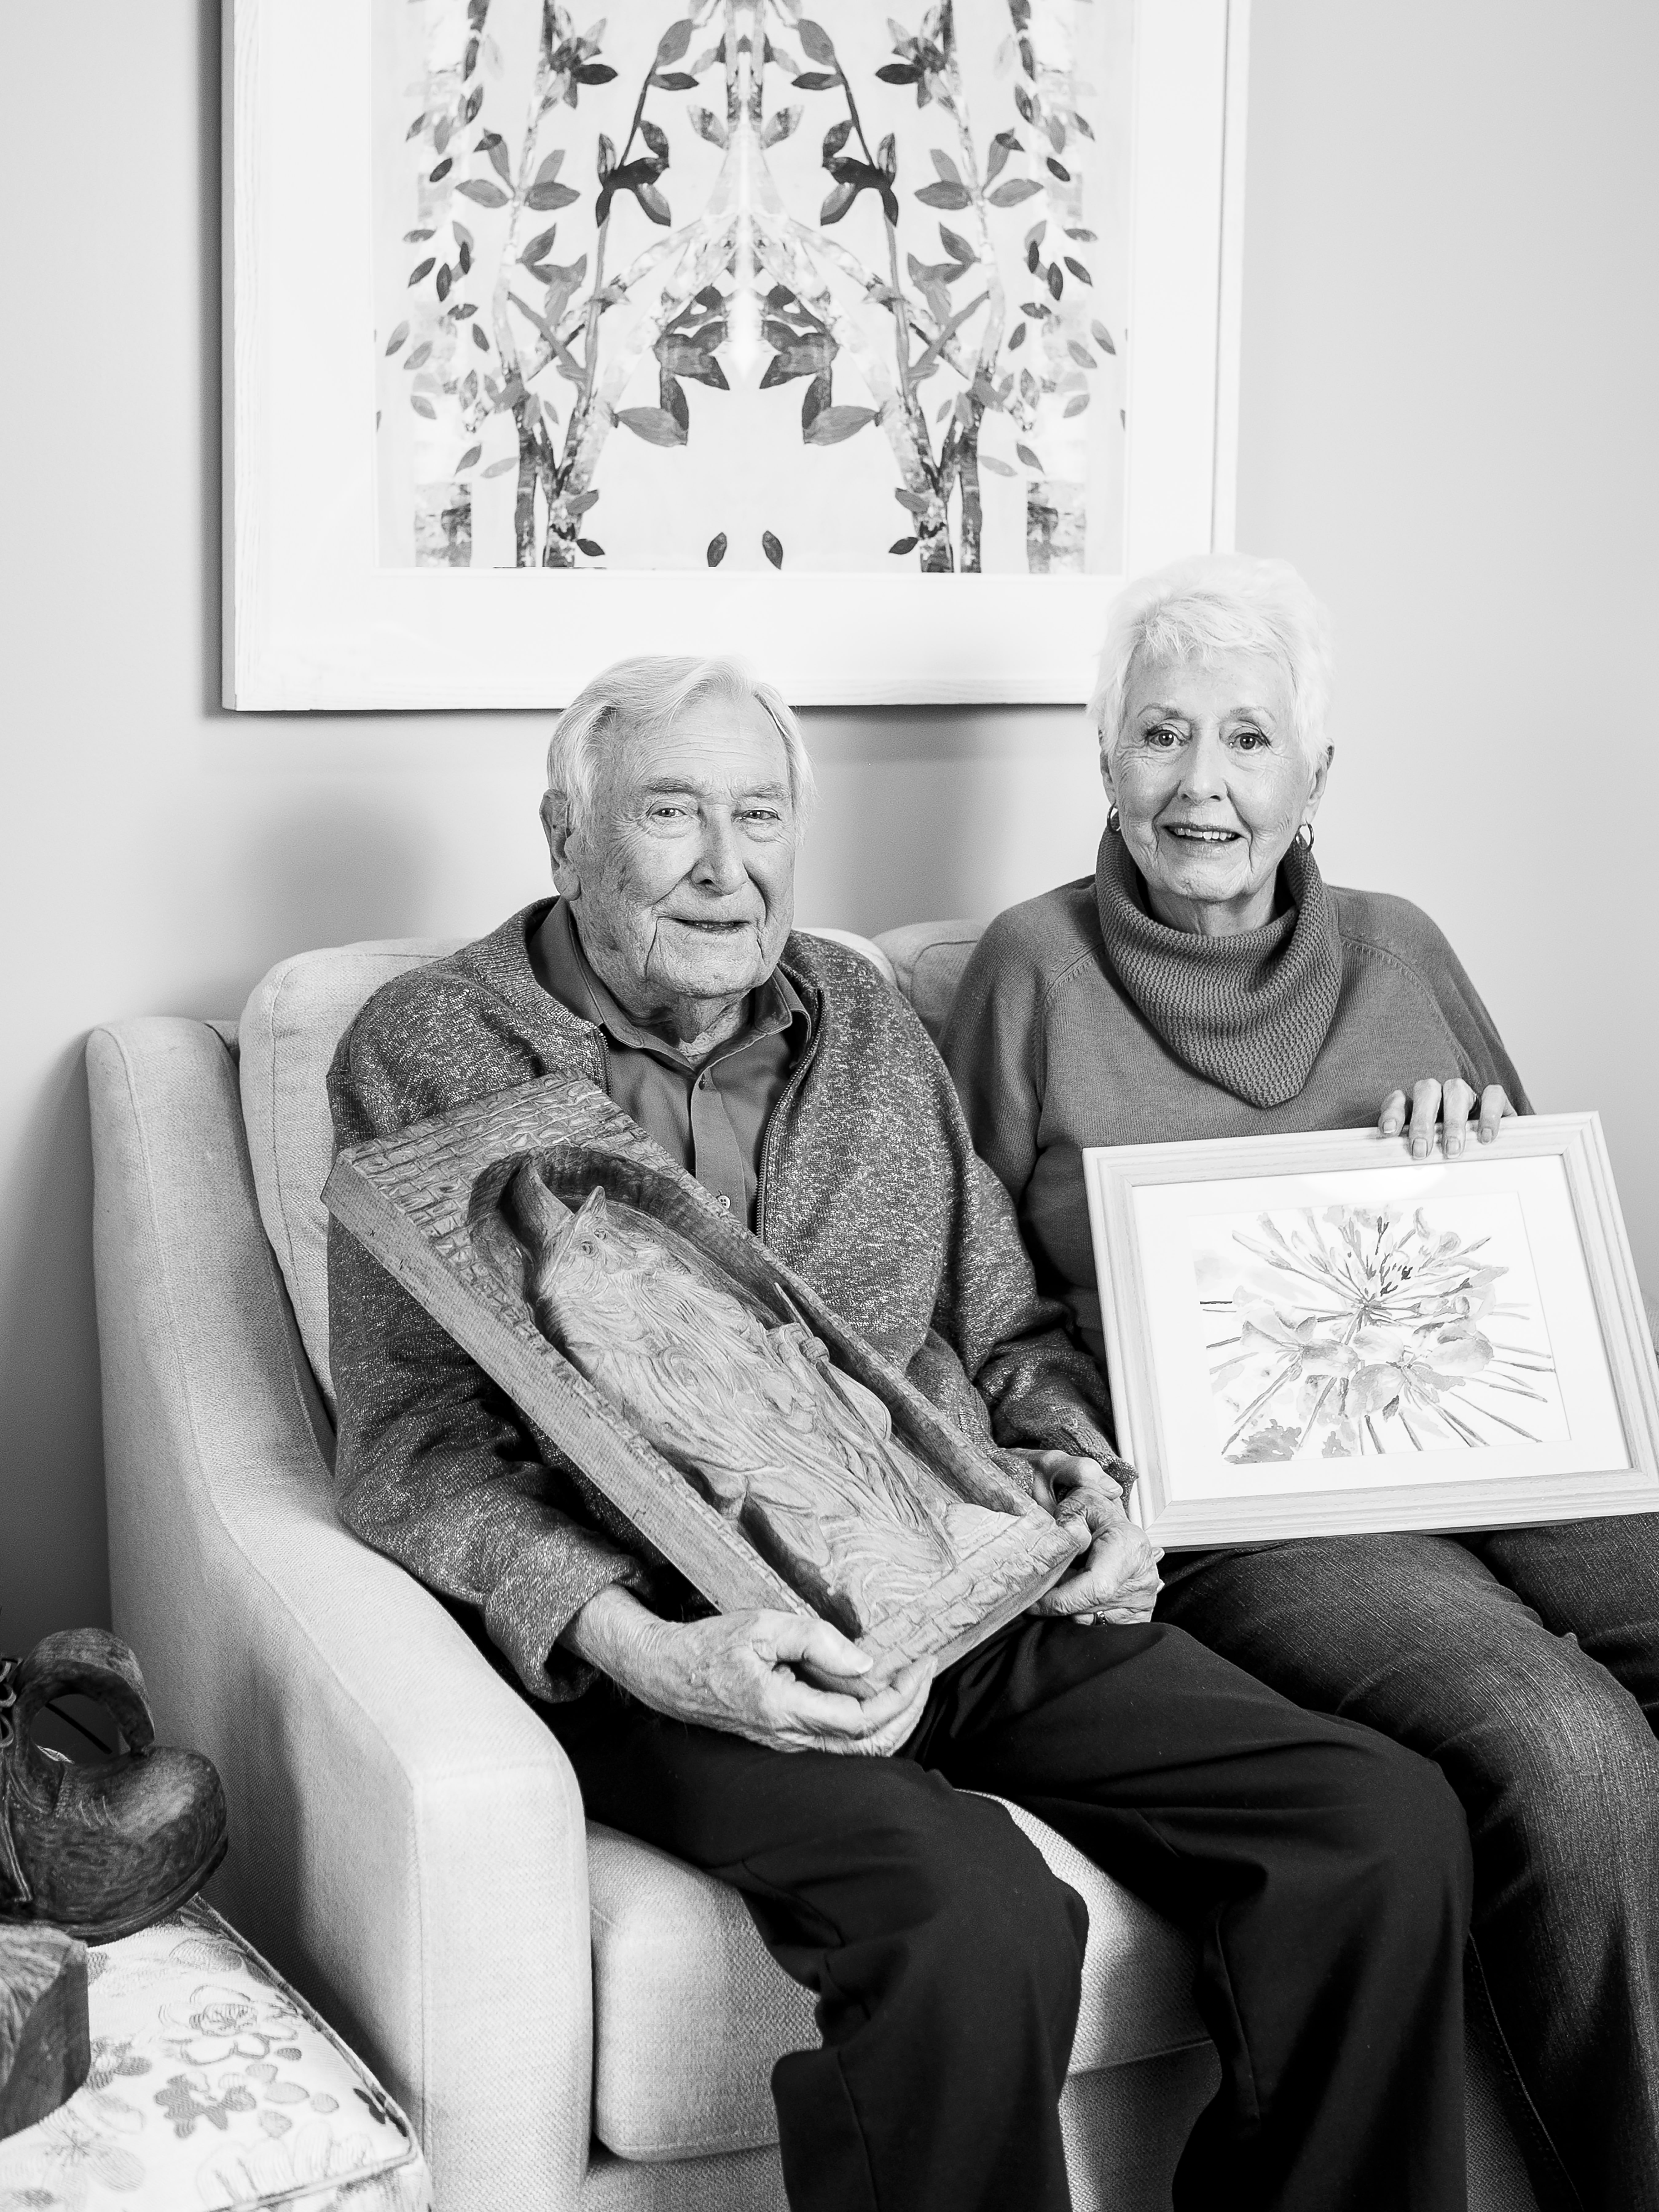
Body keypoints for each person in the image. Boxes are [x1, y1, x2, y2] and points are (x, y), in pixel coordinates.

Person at [327, 653, 1473, 2212]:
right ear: (564, 835)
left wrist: (1079, 1470)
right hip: (699, 1637)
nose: (728, 869)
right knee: (978, 1919)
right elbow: (410, 1447)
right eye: (670, 814)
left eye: (760, 815)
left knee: (1380, 1823)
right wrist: (640, 1647)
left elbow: (1002, 1325)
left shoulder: (859, 1010)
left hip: (961, 1574)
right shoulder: (429, 1045)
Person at [942, 553, 1659, 2210]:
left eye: (1247, 740)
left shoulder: (1404, 949)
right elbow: (972, 1309)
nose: (1203, 784)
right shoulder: (1027, 971)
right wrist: (1081, 1457)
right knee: (1561, 1741)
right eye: (1162, 736)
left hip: (1512, 1451)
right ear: (1103, 759)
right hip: (1260, 1511)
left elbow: (1543, 1252)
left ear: (1312, 776)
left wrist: (1459, 1164)